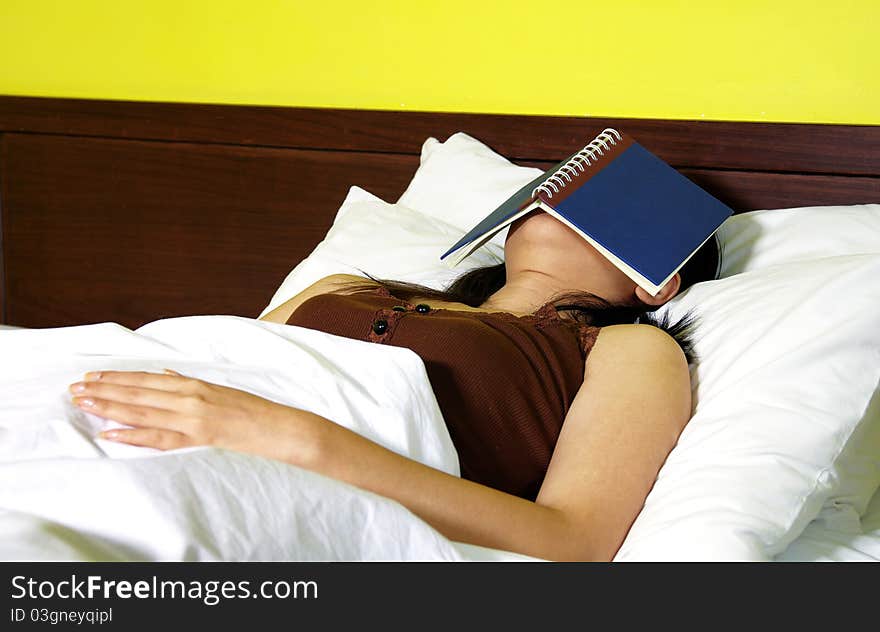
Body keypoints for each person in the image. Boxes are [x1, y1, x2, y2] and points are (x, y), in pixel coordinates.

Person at [66, 209, 720, 561]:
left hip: (275, 481)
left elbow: (572, 543)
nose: (562, 195)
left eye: (606, 202)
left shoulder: (628, 349)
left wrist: (301, 441)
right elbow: (216, 369)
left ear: (656, 279)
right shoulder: (343, 287)